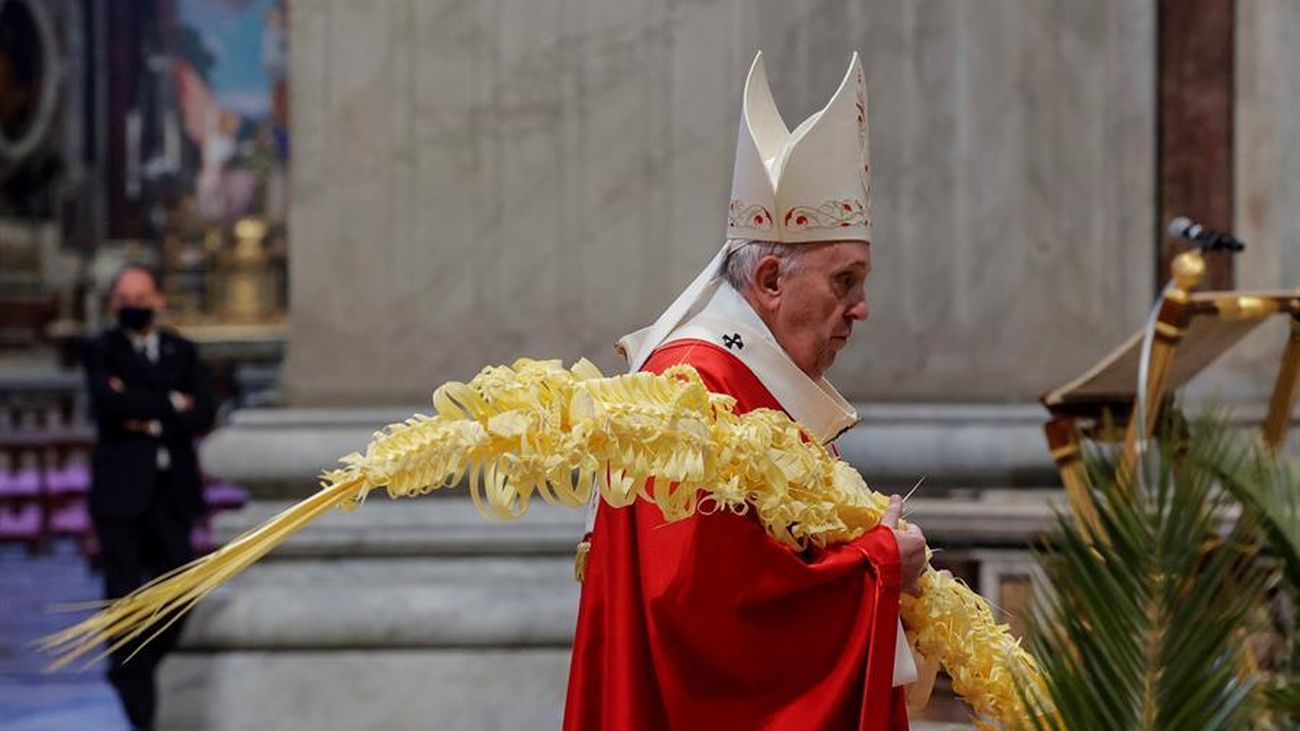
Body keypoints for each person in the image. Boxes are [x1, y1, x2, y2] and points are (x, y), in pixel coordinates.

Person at [564, 52, 928, 730]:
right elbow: (703, 623)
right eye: (844, 281)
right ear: (769, 281)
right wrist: (877, 565)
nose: (862, 308)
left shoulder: (753, 383)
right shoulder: (688, 395)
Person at [83, 264, 215, 730]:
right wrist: (171, 401)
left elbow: (205, 411)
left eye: (141, 297)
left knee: (179, 592)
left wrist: (142, 406)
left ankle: (139, 668)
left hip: (171, 493)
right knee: (122, 598)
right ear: (113, 304)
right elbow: (109, 405)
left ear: (158, 299)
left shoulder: (183, 350)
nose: (133, 306)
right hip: (121, 494)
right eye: (124, 299)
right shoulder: (101, 349)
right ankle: (137, 700)